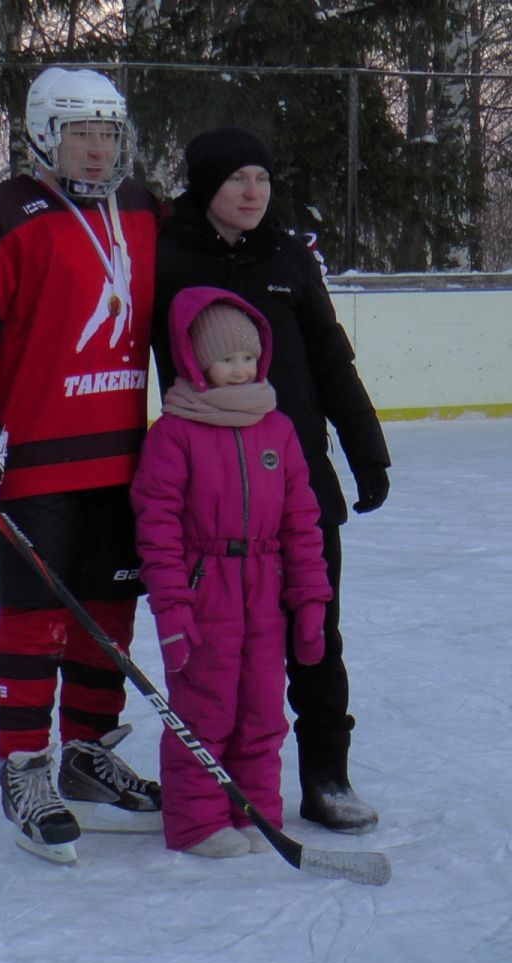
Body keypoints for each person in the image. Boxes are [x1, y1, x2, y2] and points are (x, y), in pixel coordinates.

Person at [0, 66, 162, 864]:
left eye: (108, 133)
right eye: (79, 133)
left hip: (126, 457)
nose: (96, 150)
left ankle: (88, 755)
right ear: (41, 134)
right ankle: (24, 767)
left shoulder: (141, 208)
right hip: (35, 461)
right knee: (35, 619)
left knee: (111, 611)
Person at [152, 125, 390, 834]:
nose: (253, 192)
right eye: (236, 180)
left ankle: (326, 774)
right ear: (204, 187)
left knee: (316, 633)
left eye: (262, 178)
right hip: (208, 503)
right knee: (219, 650)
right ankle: (212, 778)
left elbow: (329, 357)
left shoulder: (289, 255)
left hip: (297, 484)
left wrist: (364, 448)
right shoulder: (164, 257)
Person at [130, 287, 331, 857]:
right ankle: (196, 823)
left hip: (265, 585)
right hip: (205, 587)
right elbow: (158, 525)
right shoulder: (174, 434)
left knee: (264, 708)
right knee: (204, 707)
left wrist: (311, 601)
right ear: (197, 363)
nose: (240, 370)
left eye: (248, 357)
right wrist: (171, 609)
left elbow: (302, 520)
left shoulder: (277, 430)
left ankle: (255, 814)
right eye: (226, 360)